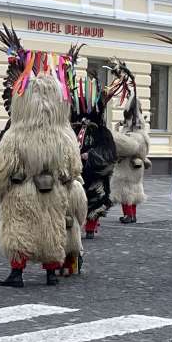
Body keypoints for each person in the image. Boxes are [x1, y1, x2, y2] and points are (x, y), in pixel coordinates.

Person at [0, 25, 83, 287]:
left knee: (19, 228)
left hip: (23, 190)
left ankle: (17, 273)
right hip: (53, 191)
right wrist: (65, 183)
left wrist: (4, 190)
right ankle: (51, 272)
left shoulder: (16, 135)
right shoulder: (65, 135)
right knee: (51, 229)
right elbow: (74, 168)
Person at [71, 75, 117, 240]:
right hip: (76, 170)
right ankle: (74, 227)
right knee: (74, 199)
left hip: (93, 171)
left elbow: (108, 151)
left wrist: (89, 155)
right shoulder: (72, 129)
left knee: (95, 197)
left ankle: (90, 228)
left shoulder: (101, 131)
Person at [108, 60, 151, 224]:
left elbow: (132, 146)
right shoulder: (134, 128)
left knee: (126, 189)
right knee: (130, 188)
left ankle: (129, 215)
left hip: (129, 163)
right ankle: (131, 215)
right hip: (132, 164)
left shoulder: (138, 131)